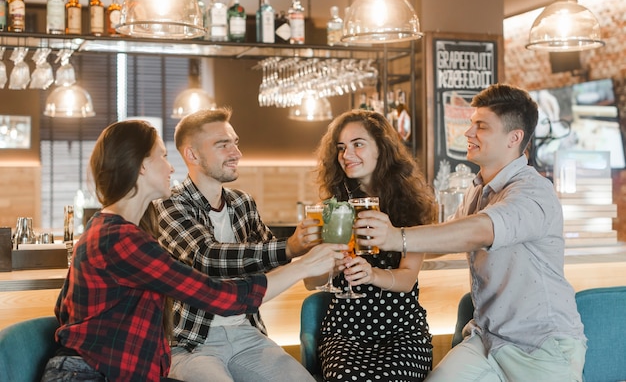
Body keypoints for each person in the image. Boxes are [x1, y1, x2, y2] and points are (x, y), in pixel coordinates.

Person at [40, 120, 344, 382]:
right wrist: (301, 264)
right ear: (142, 166)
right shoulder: (118, 237)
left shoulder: (112, 228)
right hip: (89, 374)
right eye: (162, 156)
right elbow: (218, 296)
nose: (171, 166)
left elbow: (64, 310)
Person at [354, 84, 587, 382]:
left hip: (540, 345)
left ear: (513, 138)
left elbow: (481, 230)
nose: (468, 133)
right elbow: (447, 236)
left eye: (481, 126)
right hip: (487, 339)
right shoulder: (479, 189)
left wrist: (396, 236)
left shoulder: (533, 192)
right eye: (471, 123)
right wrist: (383, 242)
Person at [153, 108, 331, 382]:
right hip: (190, 343)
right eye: (223, 144)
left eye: (235, 142)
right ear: (192, 155)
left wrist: (308, 244)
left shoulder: (241, 202)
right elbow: (207, 258)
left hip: (246, 334)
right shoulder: (169, 204)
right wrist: (290, 248)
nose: (236, 153)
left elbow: (271, 256)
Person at [303, 109, 437, 382]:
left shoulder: (412, 207)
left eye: (358, 144)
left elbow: (407, 279)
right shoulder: (332, 208)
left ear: (382, 148)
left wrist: (372, 274)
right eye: (341, 147)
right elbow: (310, 282)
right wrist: (332, 267)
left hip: (402, 331)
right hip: (344, 332)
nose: (346, 154)